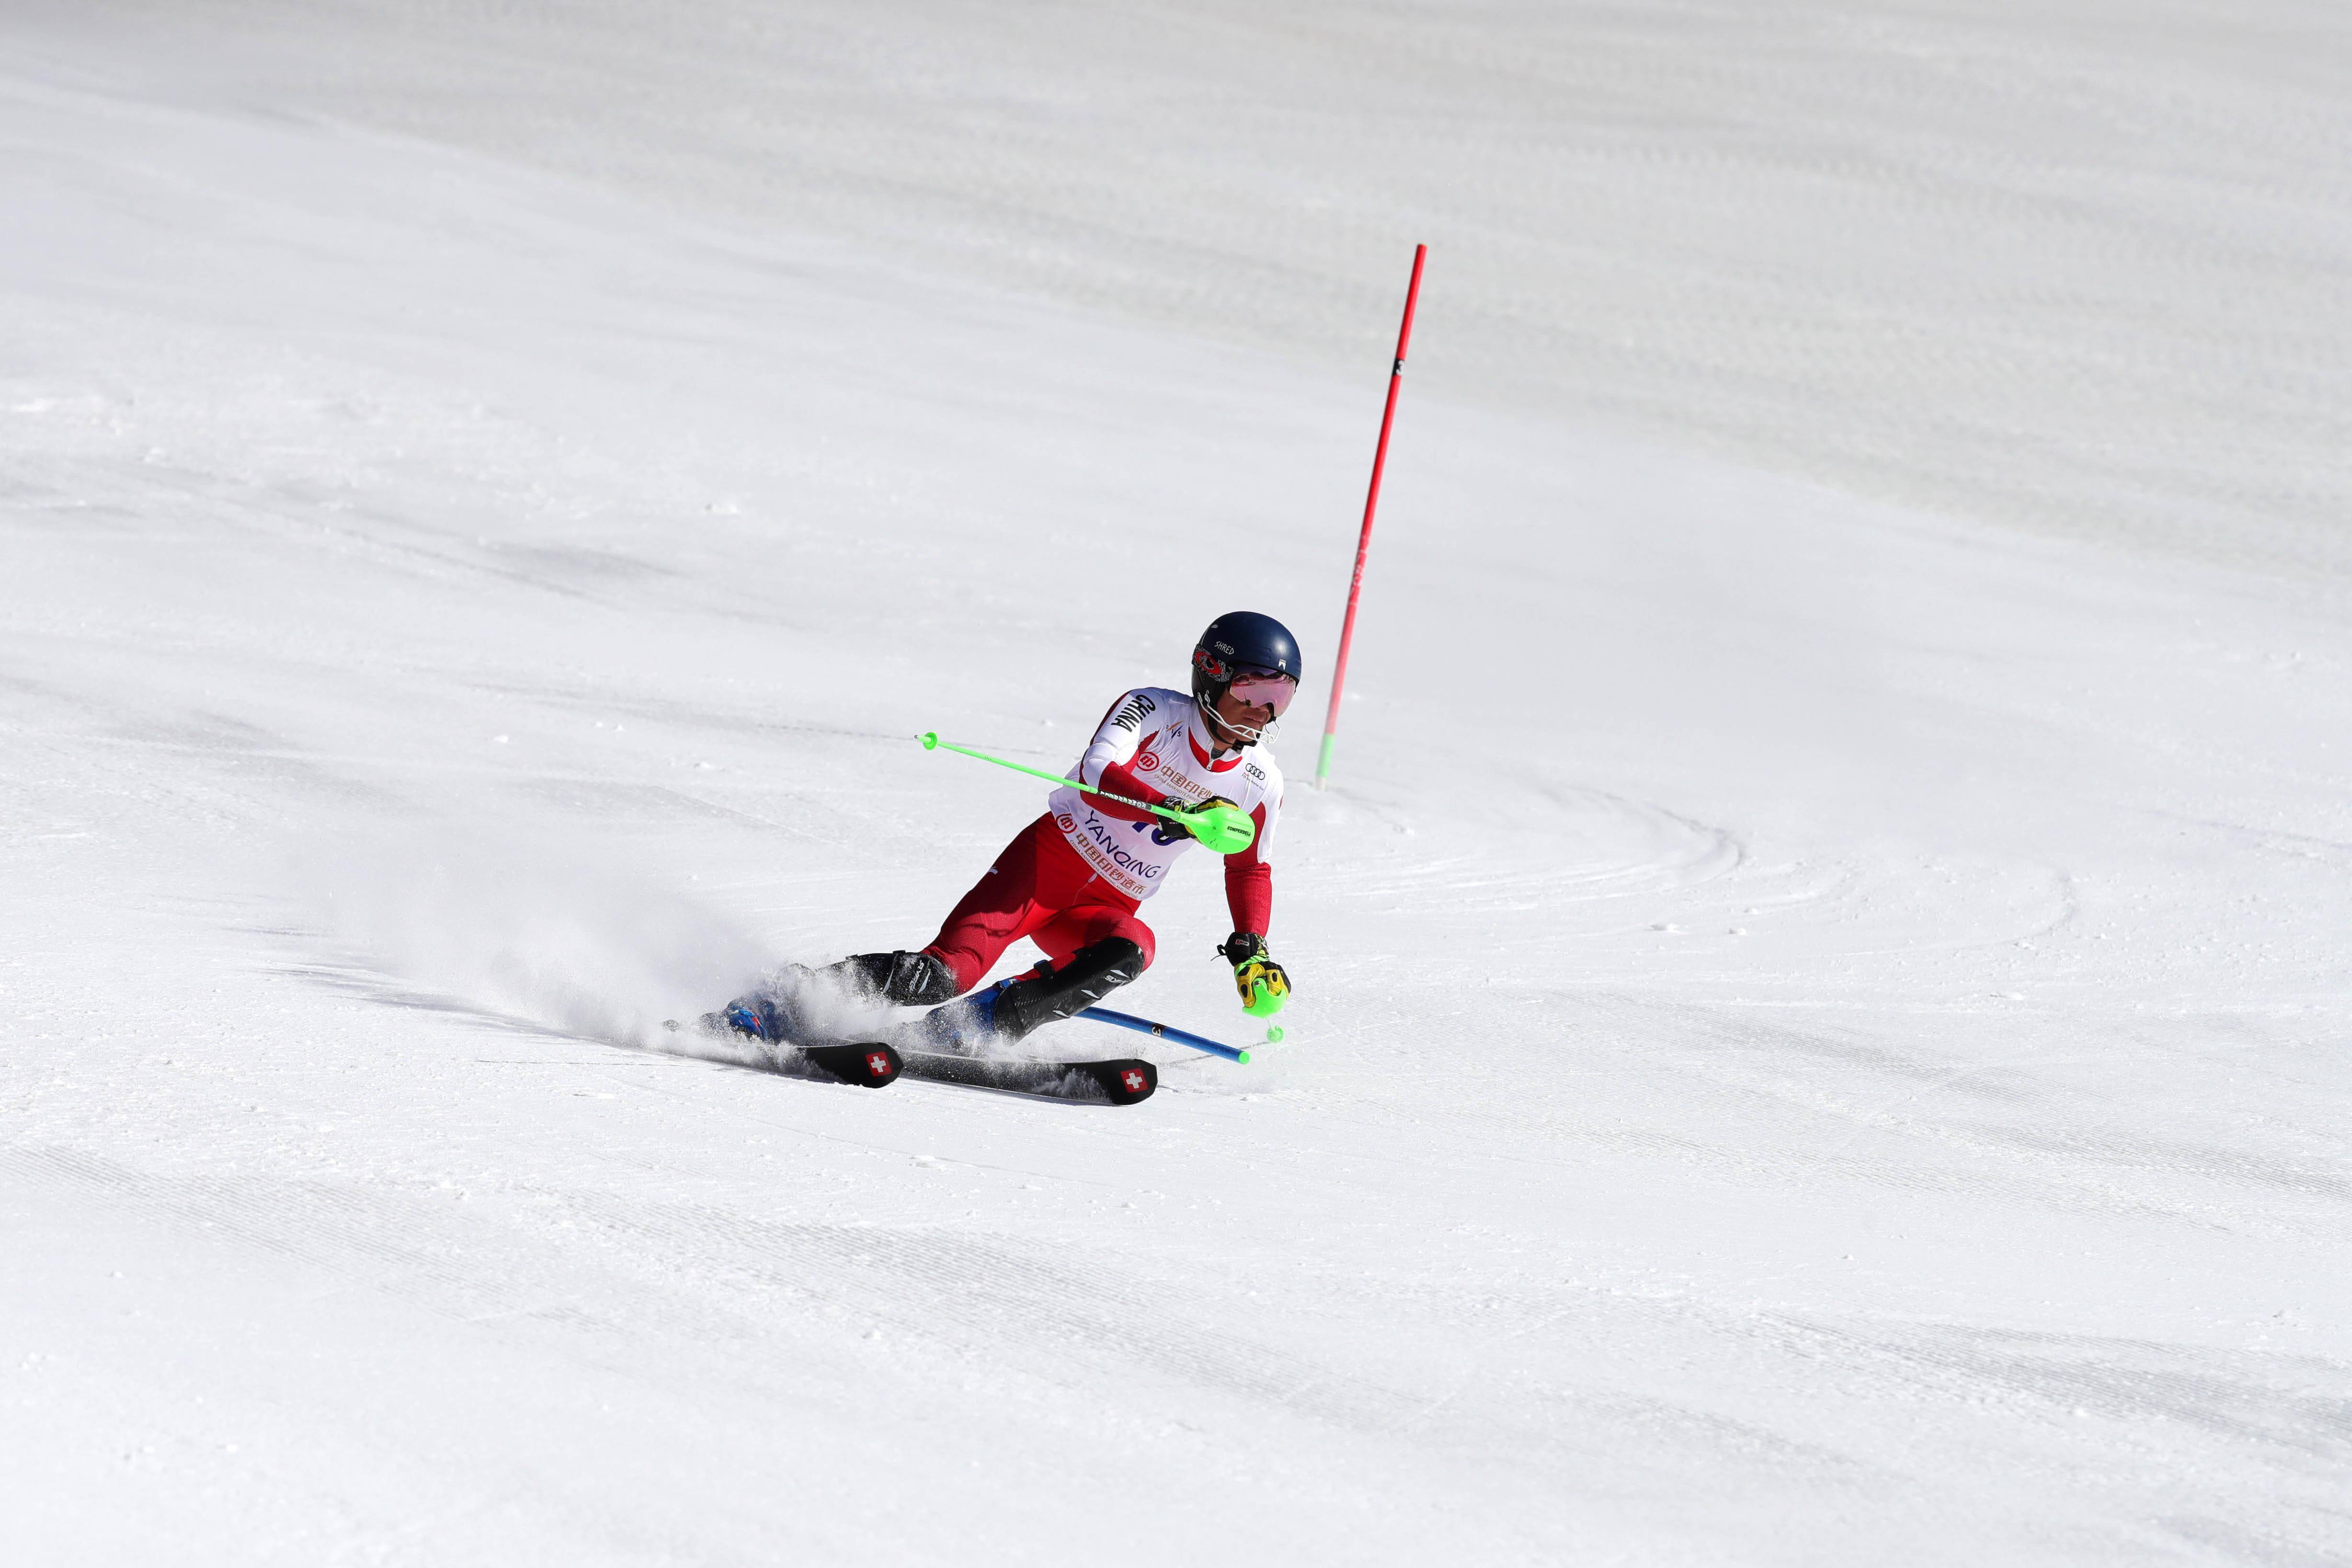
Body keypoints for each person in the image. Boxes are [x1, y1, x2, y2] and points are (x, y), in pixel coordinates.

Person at [732, 612, 1299, 1053]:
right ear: (1211, 673)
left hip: (1102, 906)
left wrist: (1251, 947)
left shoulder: (1259, 782)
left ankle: (965, 1031)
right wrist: (1169, 809)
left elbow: (1250, 867)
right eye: (1252, 692)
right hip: (1044, 869)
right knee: (943, 974)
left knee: (1134, 949)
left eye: (1279, 698)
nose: (1262, 712)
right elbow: (1100, 769)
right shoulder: (1152, 709)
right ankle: (781, 1002)